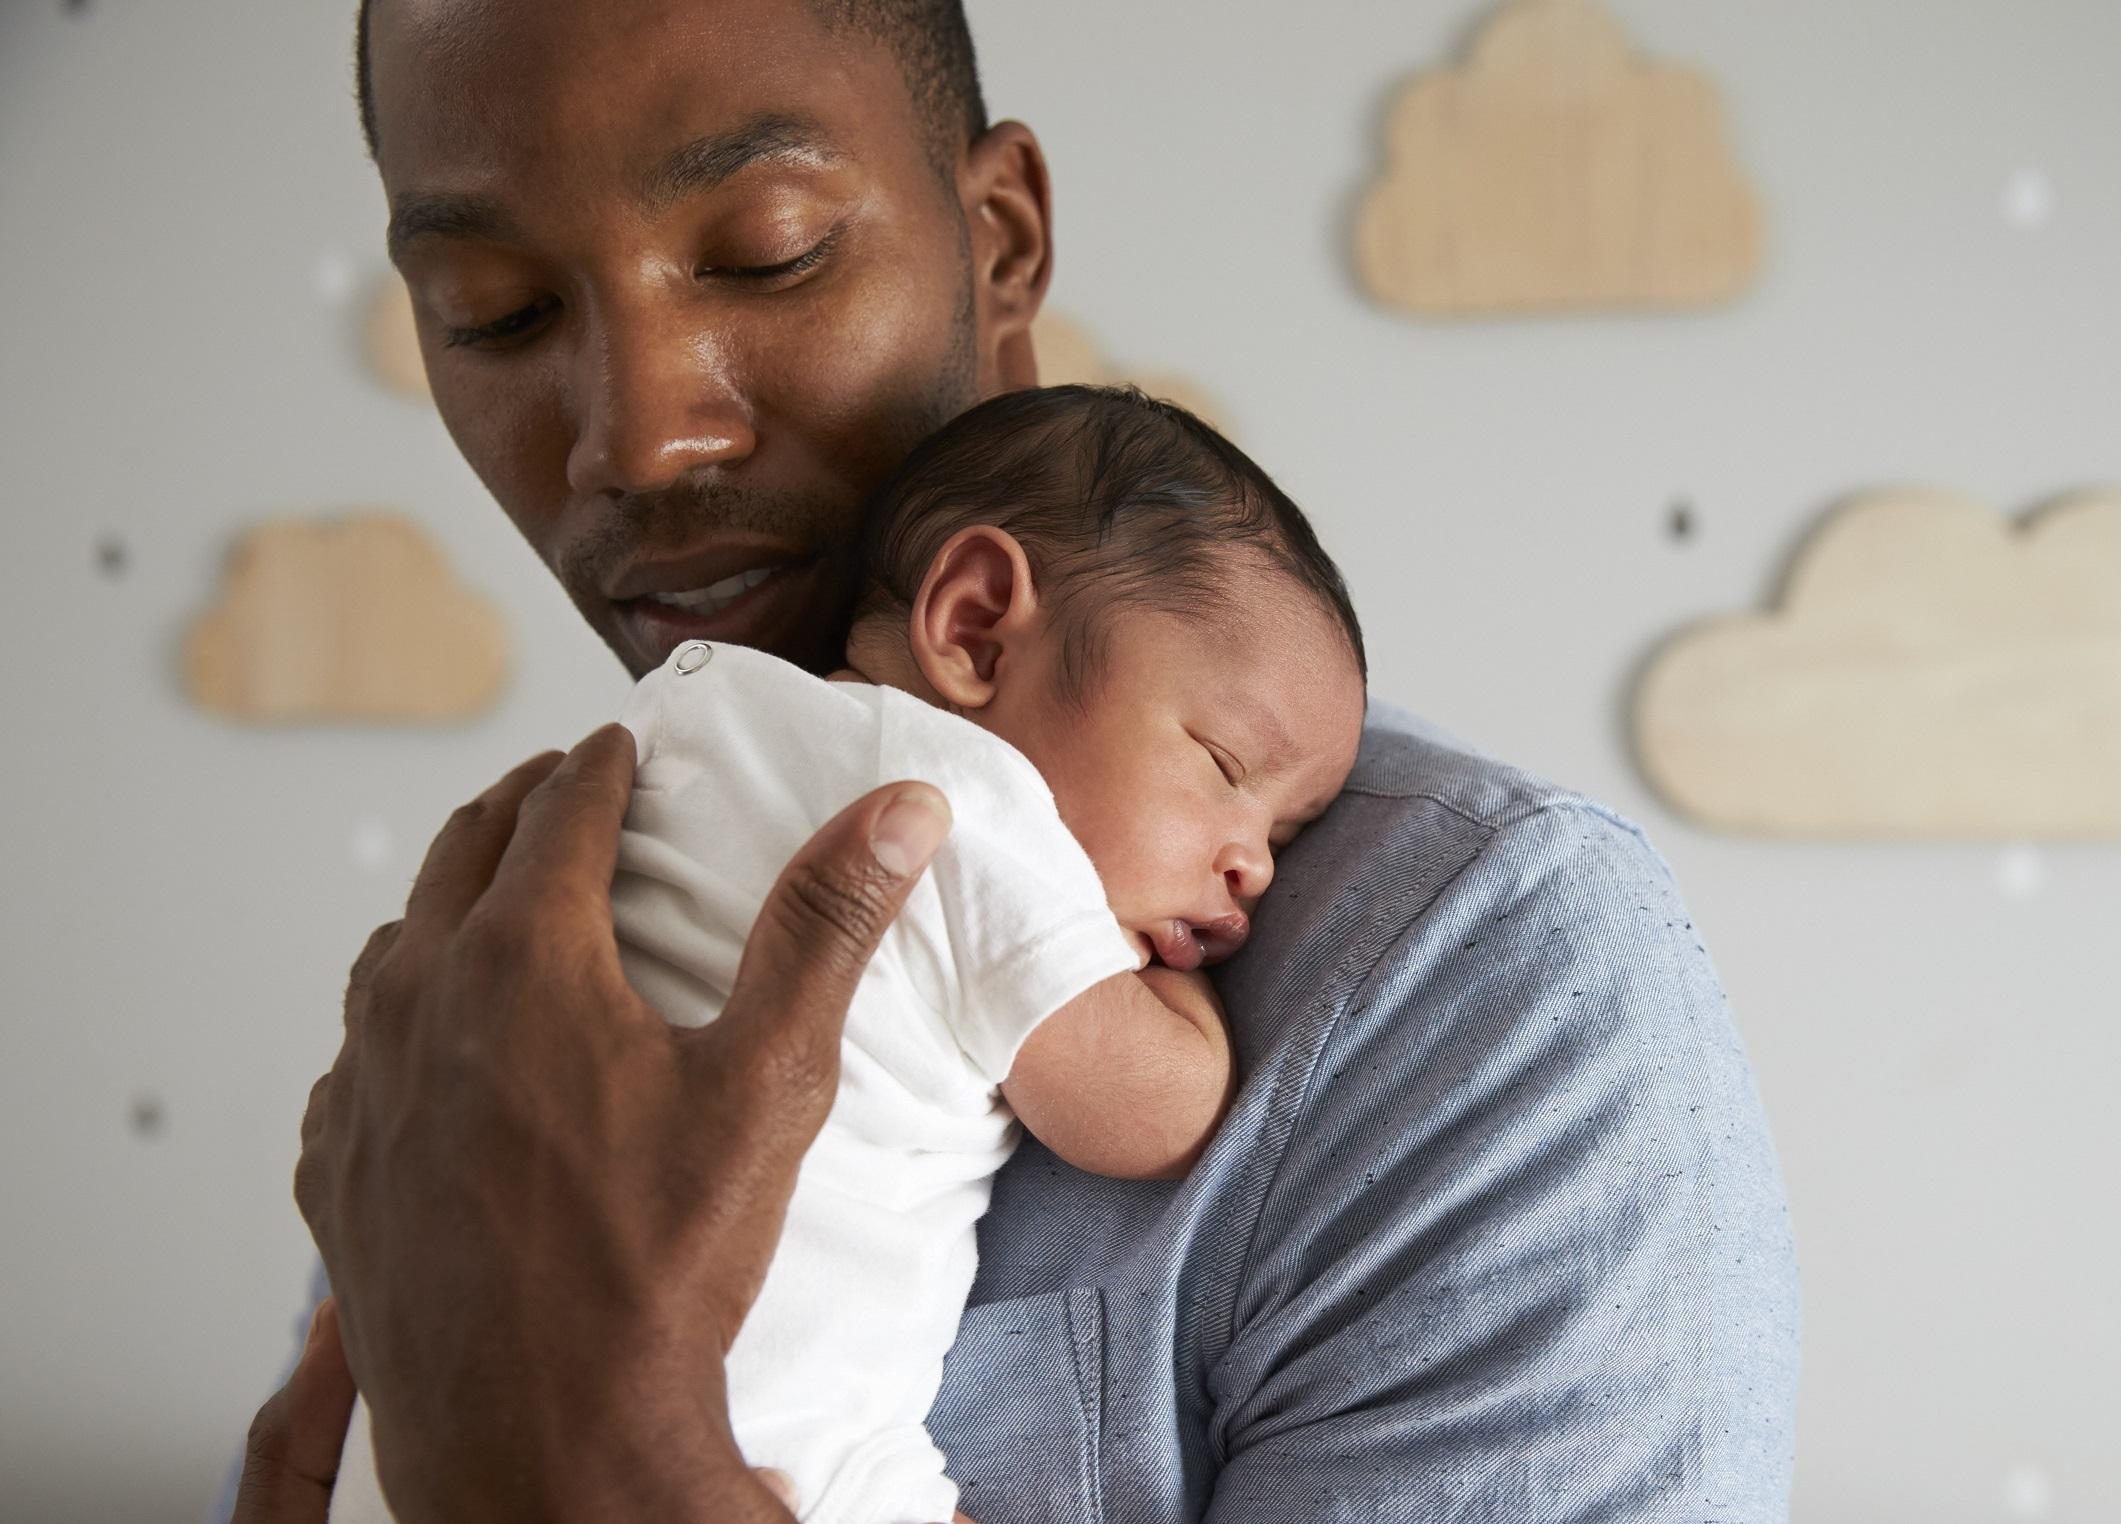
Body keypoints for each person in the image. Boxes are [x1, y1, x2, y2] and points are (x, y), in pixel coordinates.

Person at [229, 2, 1801, 1520]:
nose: (636, 441)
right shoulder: (502, 961)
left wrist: (618, 1476)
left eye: (767, 250)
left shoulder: (1475, 977)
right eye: (495, 311)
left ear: (1000, 244)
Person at [327, 385, 1367, 1523]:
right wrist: (1177, 987)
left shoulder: (691, 719)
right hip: (763, 1426)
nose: (1254, 866)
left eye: (1282, 836)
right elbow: (1157, 1117)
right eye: (1224, 766)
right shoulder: (968, 803)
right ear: (974, 628)